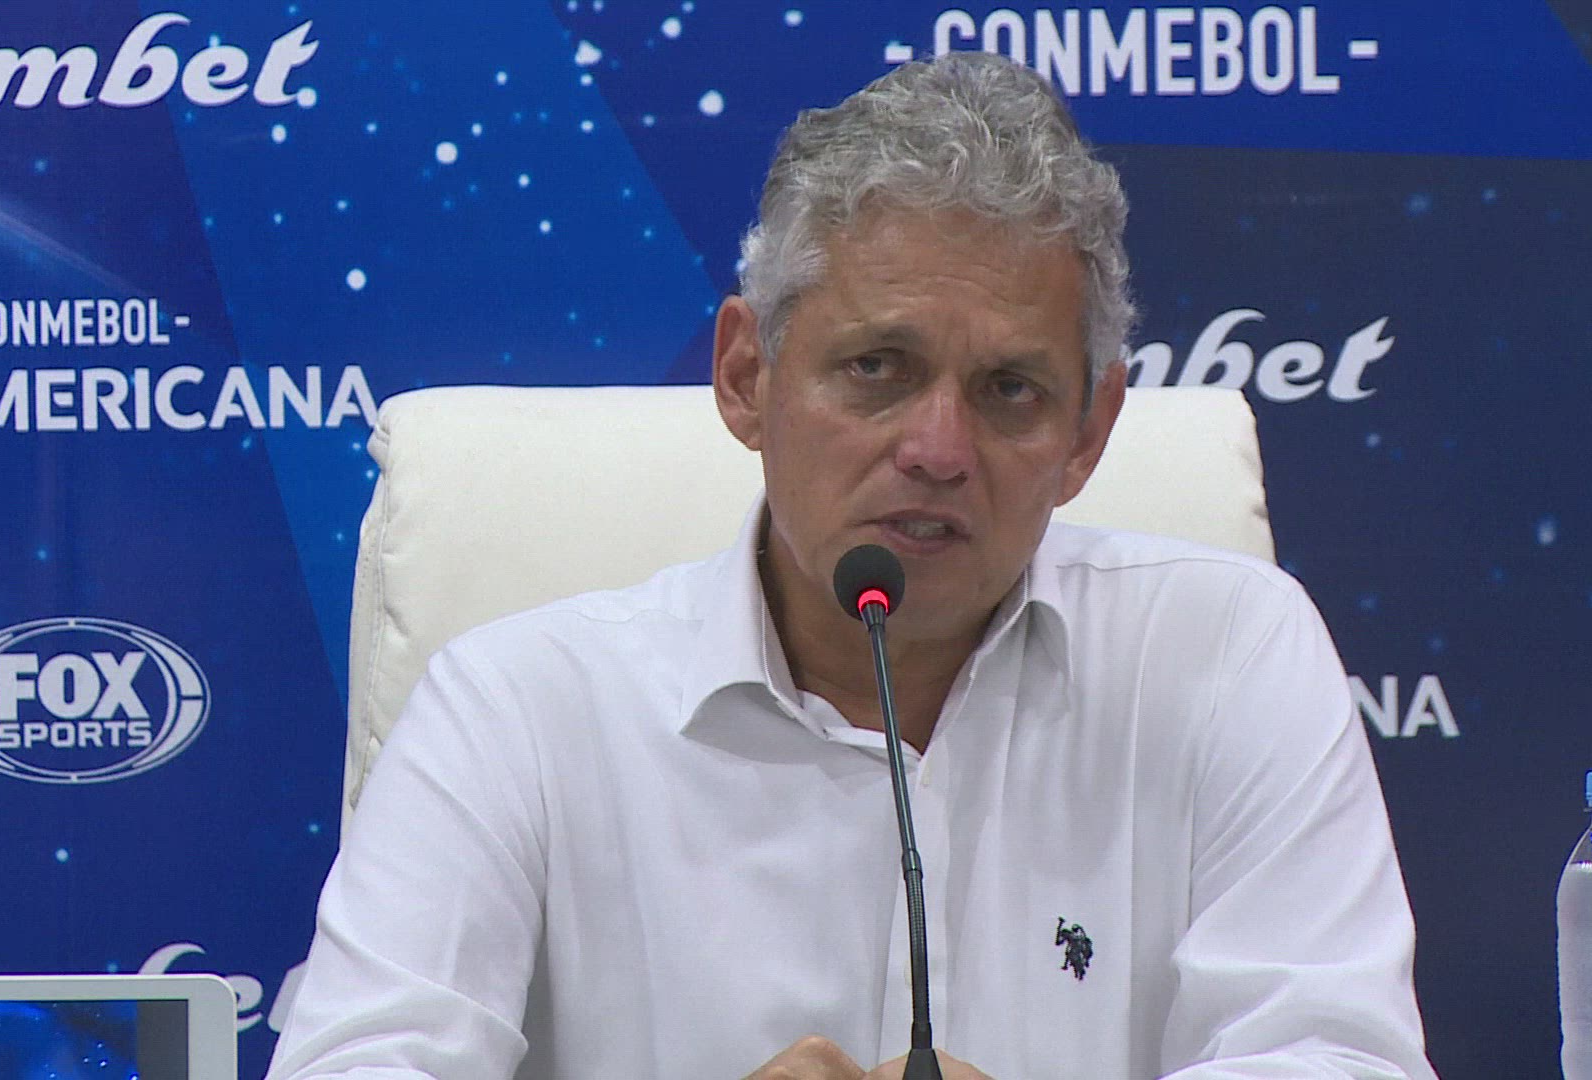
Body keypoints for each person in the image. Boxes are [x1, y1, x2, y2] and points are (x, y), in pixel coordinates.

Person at [267, 52, 1437, 1080]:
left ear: (1089, 434)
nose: (938, 450)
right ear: (746, 376)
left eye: (1010, 390)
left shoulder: (1227, 657)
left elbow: (1340, 1059)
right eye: (878, 368)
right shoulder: (517, 711)